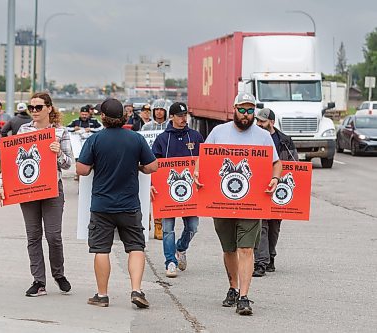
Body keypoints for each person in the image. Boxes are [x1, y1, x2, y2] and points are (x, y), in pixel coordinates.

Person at [194, 92, 282, 315]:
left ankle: (244, 296)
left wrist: (275, 178)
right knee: (229, 249)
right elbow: (203, 159)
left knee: (245, 249)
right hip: (221, 202)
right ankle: (232, 287)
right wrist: (197, 171)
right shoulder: (218, 132)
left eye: (250, 110)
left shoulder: (262, 136)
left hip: (251, 203)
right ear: (234, 109)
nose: (246, 114)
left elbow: (276, 163)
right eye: (242, 109)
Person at [76, 98, 158, 309]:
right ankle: (137, 290)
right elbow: (152, 166)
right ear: (123, 117)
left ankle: (102, 295)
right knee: (136, 247)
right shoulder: (136, 139)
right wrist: (138, 168)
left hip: (102, 206)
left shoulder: (95, 140)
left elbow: (82, 170)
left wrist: (95, 164)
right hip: (130, 204)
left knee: (101, 249)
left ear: (102, 117)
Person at [0, 92, 73, 297]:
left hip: (52, 189)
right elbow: (12, 160)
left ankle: (58, 274)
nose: (34, 111)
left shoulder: (60, 132)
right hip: (28, 190)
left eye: (38, 107)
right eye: (32, 108)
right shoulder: (23, 130)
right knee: (33, 236)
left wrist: (58, 153)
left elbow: (68, 164)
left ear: (49, 108)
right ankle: (39, 280)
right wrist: (2, 184)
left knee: (54, 236)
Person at [151, 102, 204, 278]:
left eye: (185, 115)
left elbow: (205, 160)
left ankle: (181, 248)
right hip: (167, 192)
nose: (183, 118)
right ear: (171, 117)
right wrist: (151, 183)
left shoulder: (195, 136)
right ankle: (170, 262)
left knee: (193, 227)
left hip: (191, 192)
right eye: (180, 115)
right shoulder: (162, 139)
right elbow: (153, 165)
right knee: (167, 228)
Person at [252, 108, 298, 277]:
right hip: (259, 187)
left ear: (271, 122)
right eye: (257, 121)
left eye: (262, 121)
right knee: (261, 224)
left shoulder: (284, 140)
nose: (258, 124)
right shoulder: (254, 137)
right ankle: (261, 263)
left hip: (279, 187)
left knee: (274, 225)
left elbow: (294, 164)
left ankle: (270, 257)